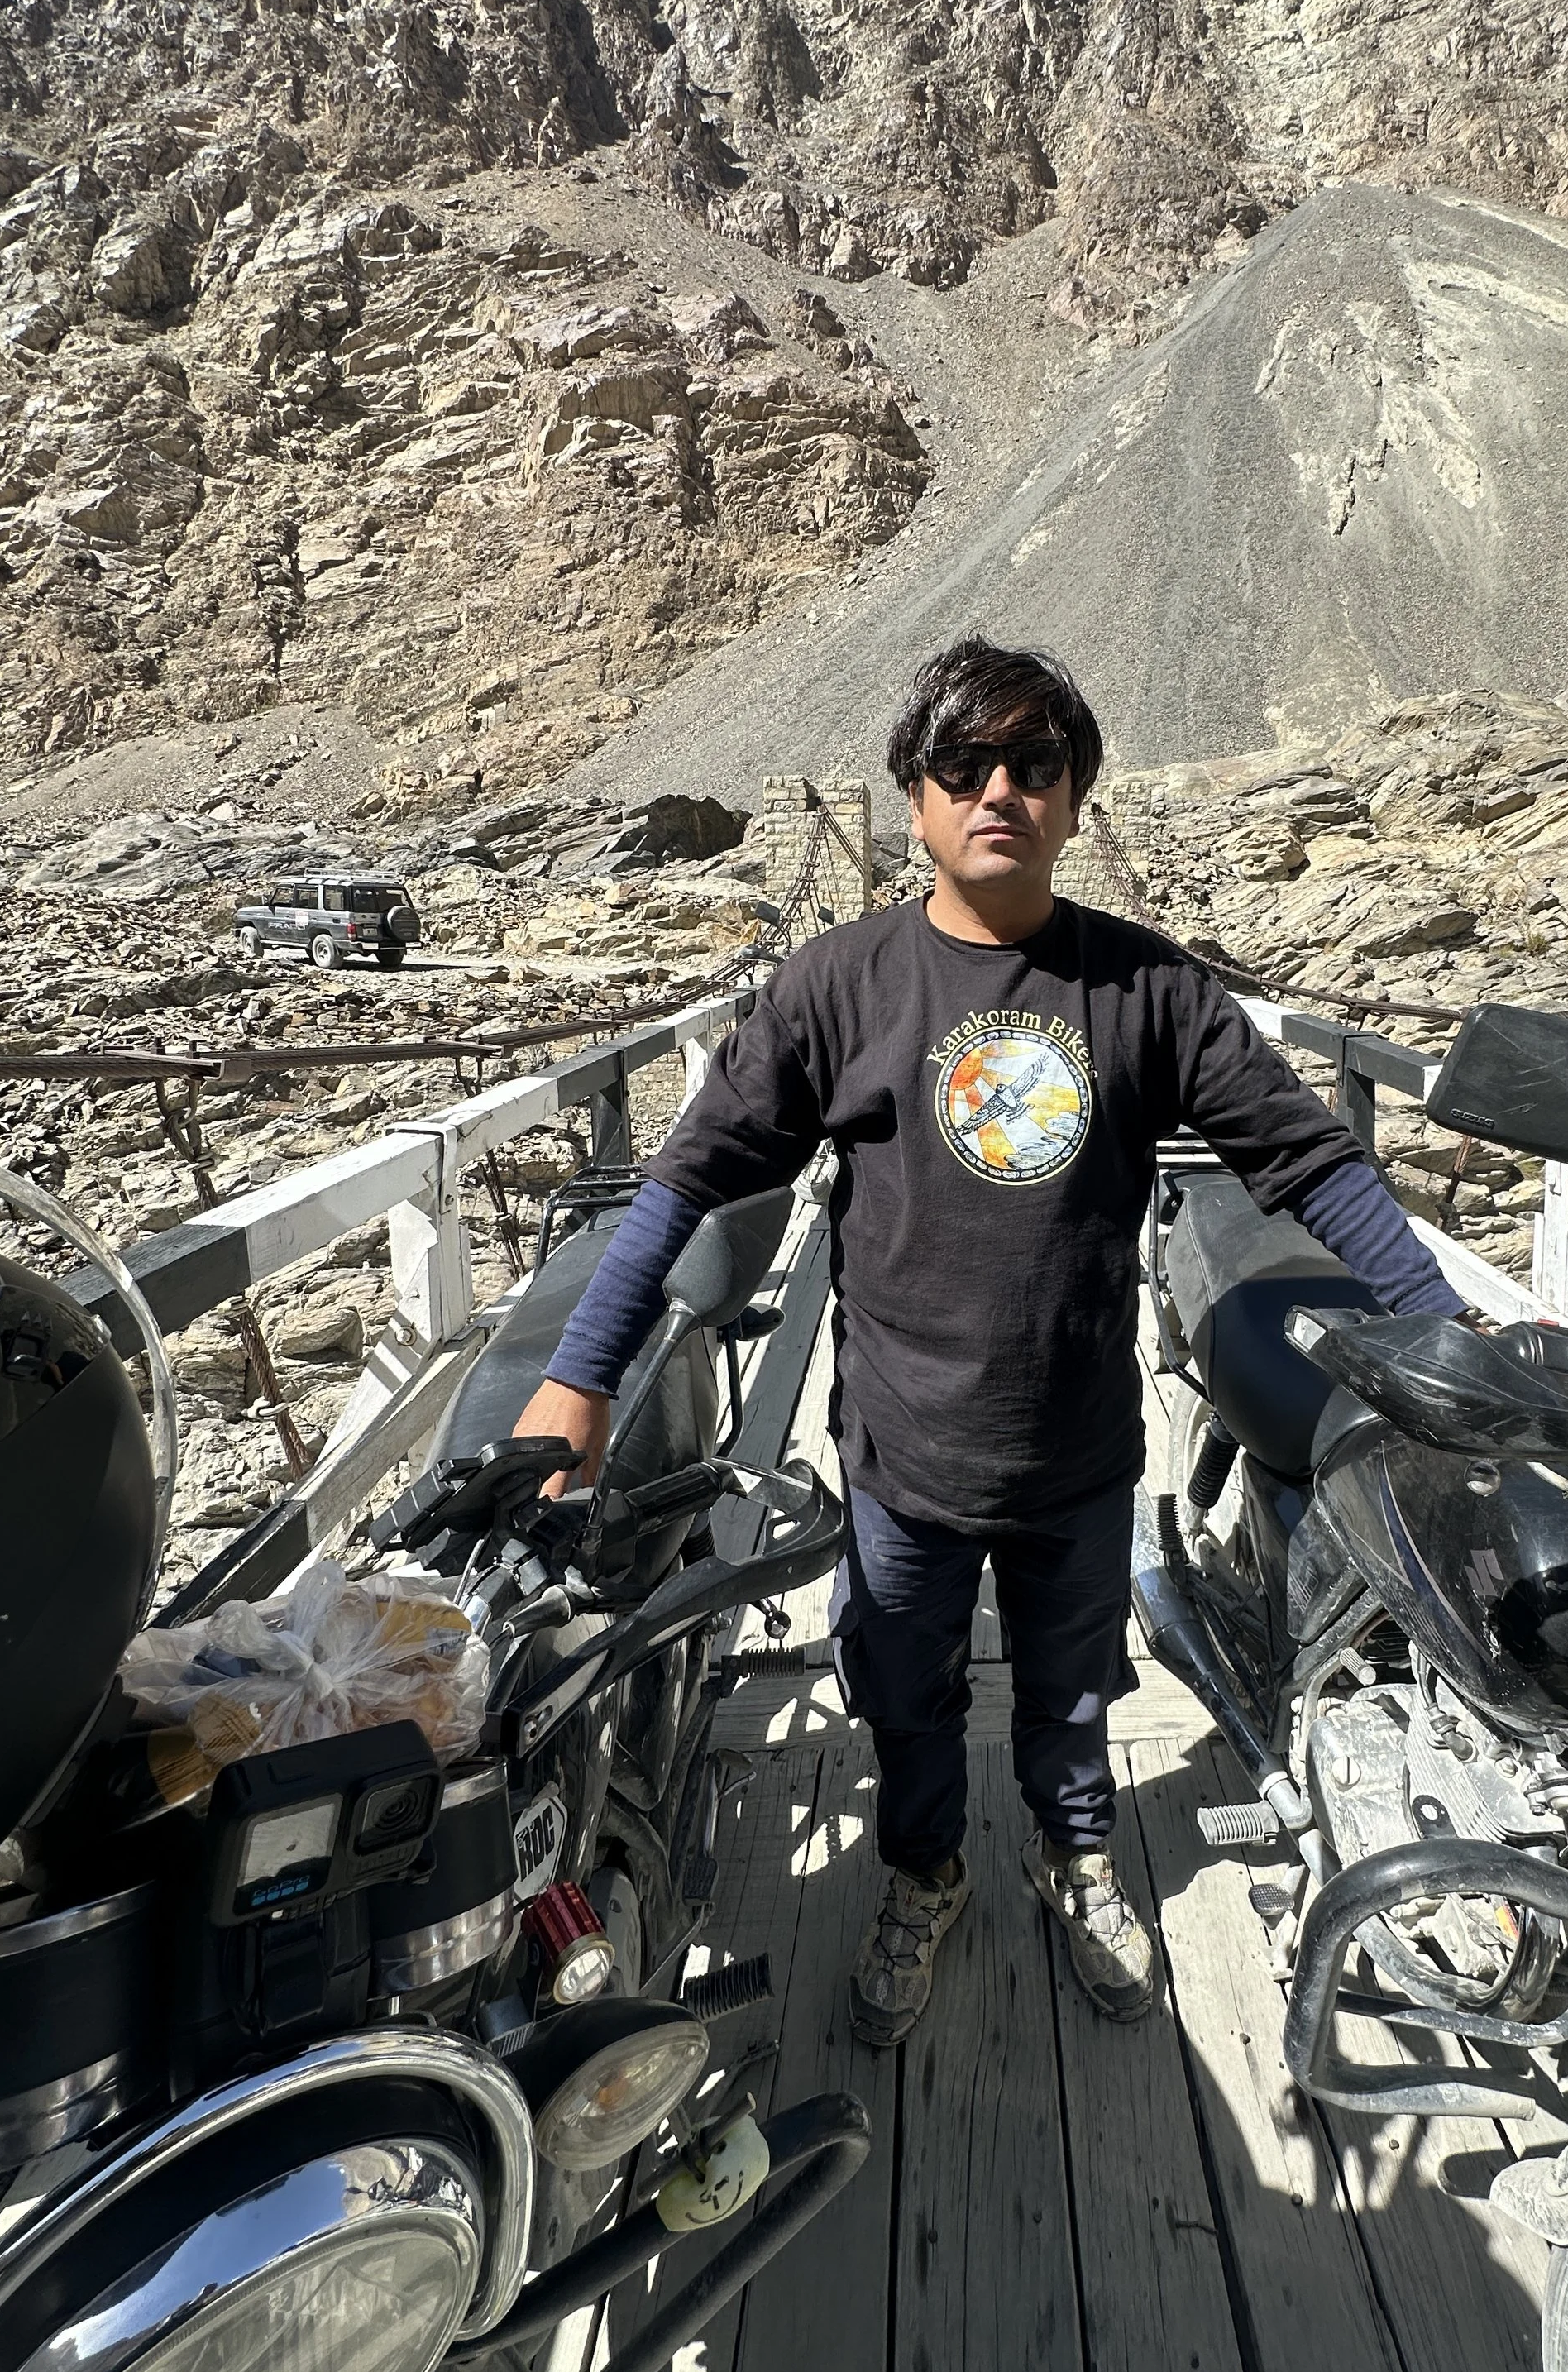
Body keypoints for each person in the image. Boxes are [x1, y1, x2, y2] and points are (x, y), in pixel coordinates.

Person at [512, 638, 1465, 2044]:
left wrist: (1454, 1337)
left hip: (1077, 1449)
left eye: (1035, 763)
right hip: (903, 1453)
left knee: (1069, 1695)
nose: (999, 789)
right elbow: (687, 1180)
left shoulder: (1149, 989)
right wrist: (577, 1378)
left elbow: (1312, 1164)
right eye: (964, 765)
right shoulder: (836, 988)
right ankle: (924, 1873)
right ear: (916, 798)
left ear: (1075, 798)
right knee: (906, 1694)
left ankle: (1076, 1860)